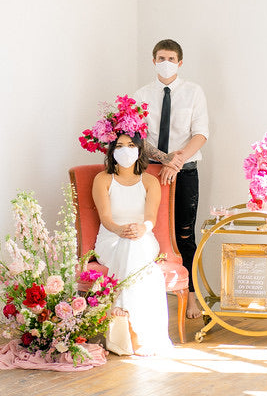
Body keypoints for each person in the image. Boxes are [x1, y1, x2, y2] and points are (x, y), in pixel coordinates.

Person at [79, 96, 172, 356]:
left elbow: (150, 217)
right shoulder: (103, 179)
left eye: (131, 145)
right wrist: (120, 230)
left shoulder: (150, 181)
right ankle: (138, 334)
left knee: (136, 244)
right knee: (132, 250)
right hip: (110, 238)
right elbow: (106, 218)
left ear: (139, 150)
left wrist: (142, 228)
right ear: (112, 151)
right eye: (119, 146)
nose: (125, 150)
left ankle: (124, 316)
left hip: (144, 236)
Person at [134, 39, 209, 319]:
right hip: (150, 171)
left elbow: (200, 133)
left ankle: (191, 297)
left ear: (179, 62)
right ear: (153, 61)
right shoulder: (140, 95)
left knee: (184, 235)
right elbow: (137, 137)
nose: (165, 62)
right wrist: (164, 160)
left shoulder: (193, 92)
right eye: (160, 57)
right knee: (149, 233)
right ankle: (148, 297)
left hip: (185, 171)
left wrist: (176, 161)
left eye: (171, 58)